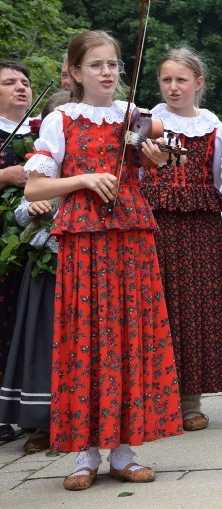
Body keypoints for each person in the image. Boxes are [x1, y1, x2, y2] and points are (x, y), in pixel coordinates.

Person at [24, 30, 183, 490]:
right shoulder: (61, 119)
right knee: (87, 335)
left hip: (131, 234)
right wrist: (84, 178)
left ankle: (125, 452)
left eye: (114, 64)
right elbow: (36, 187)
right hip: (84, 237)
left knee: (131, 335)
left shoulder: (134, 117)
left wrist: (152, 160)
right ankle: (85, 454)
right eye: (97, 65)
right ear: (75, 72)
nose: (109, 73)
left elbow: (150, 159)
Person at [140, 47, 222, 432]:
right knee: (159, 303)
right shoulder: (145, 122)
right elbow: (135, 173)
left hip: (199, 224)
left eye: (181, 80)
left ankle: (191, 399)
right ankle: (159, 396)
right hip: (156, 221)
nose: (173, 87)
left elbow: (218, 179)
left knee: (196, 307)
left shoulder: (214, 127)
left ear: (199, 84)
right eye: (166, 80)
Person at [0, 90, 69, 455]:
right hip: (48, 265)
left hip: (90, 261)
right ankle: (40, 422)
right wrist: (34, 207)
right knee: (43, 342)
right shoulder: (40, 163)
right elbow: (21, 211)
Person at [0, 60, 34, 444]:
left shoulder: (40, 129)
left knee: (25, 322)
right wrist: (6, 176)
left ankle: (27, 406)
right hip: (2, 239)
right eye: (10, 83)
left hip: (34, 239)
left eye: (24, 82)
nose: (21, 88)